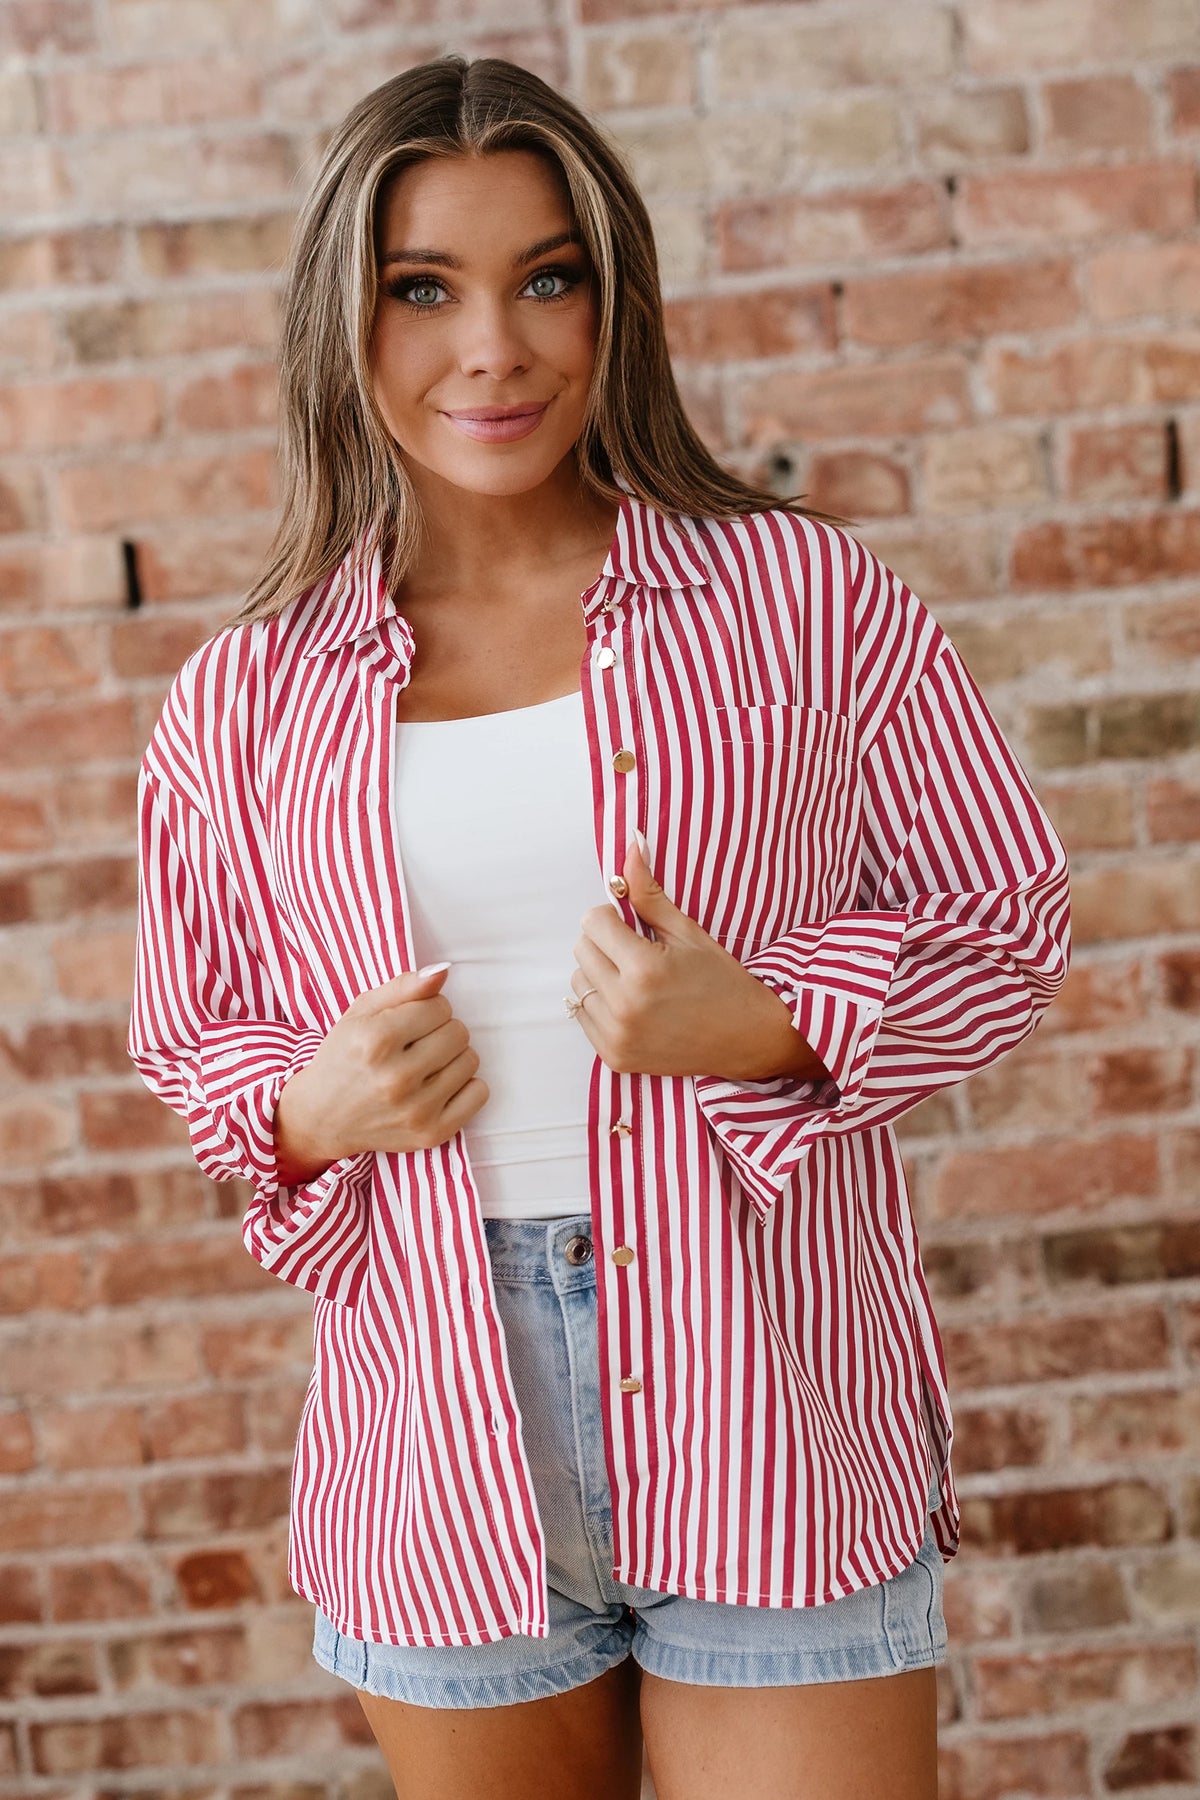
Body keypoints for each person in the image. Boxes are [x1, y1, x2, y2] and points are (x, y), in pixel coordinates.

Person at [127, 53, 1070, 1800]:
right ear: (348, 315)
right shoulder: (242, 698)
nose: (494, 348)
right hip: (436, 1414)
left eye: (546, 278)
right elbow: (196, 1034)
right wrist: (305, 1108)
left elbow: (1005, 916)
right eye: (426, 290)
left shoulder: (800, 601)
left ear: (612, 297)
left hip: (772, 1382)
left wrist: (773, 1018)